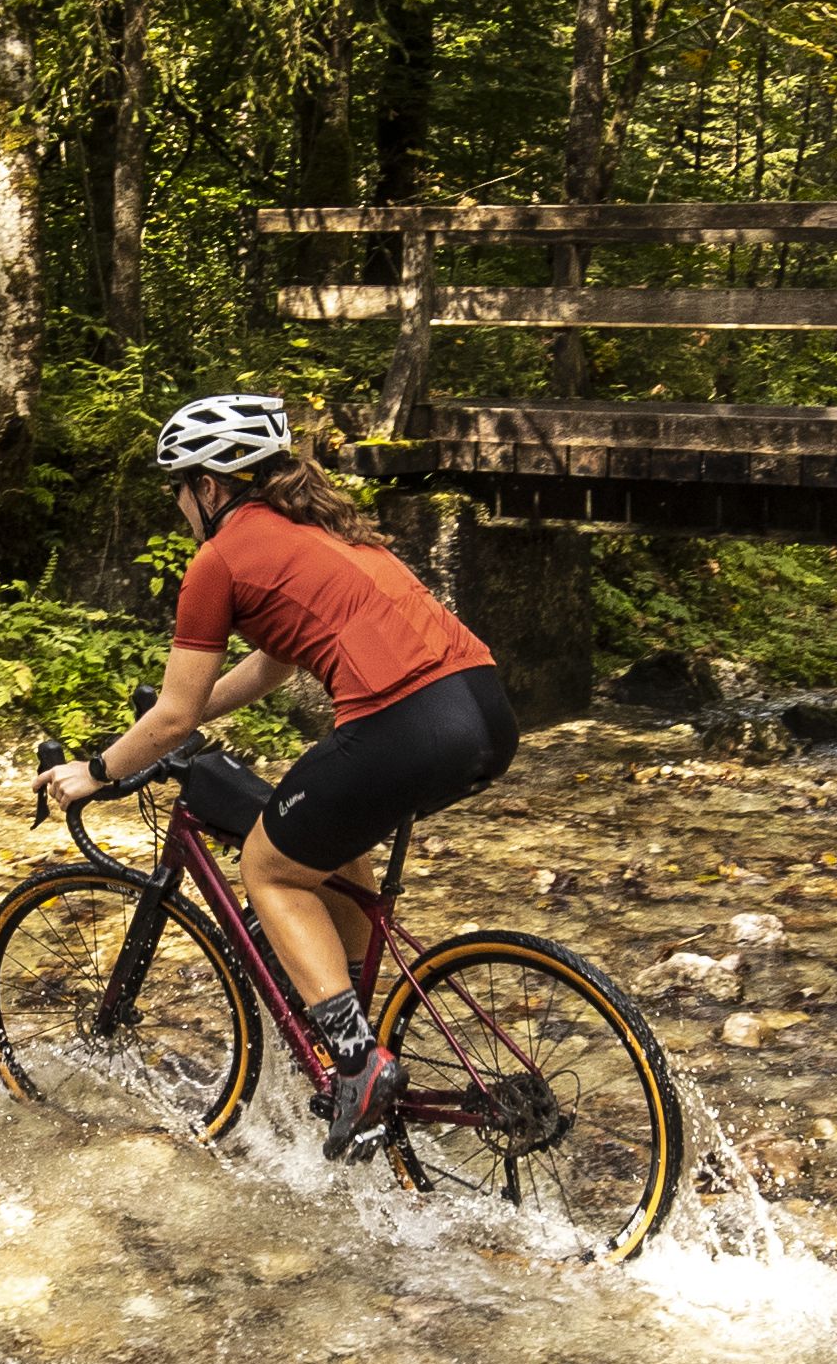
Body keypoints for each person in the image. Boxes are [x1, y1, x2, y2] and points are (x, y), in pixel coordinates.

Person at [46, 392, 517, 1153]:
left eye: (179, 488)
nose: (178, 507)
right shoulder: (323, 532)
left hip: (403, 723)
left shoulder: (220, 558)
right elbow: (266, 667)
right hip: (486, 713)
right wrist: (182, 722)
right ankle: (371, 1028)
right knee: (327, 850)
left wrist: (96, 770)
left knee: (270, 867)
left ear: (208, 486)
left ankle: (360, 1065)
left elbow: (172, 715)